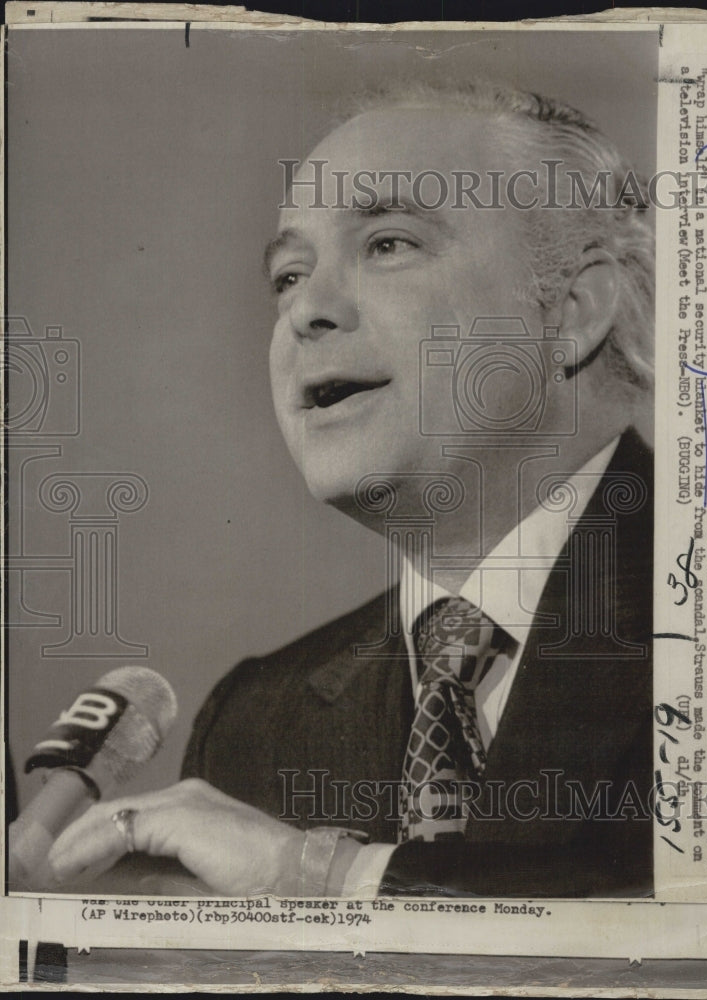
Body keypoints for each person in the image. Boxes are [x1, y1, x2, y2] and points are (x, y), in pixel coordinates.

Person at [47, 81, 655, 899]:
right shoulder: (255, 723)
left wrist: (320, 876)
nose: (307, 312)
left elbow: (703, 927)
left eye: (389, 244)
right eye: (289, 276)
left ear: (573, 311)